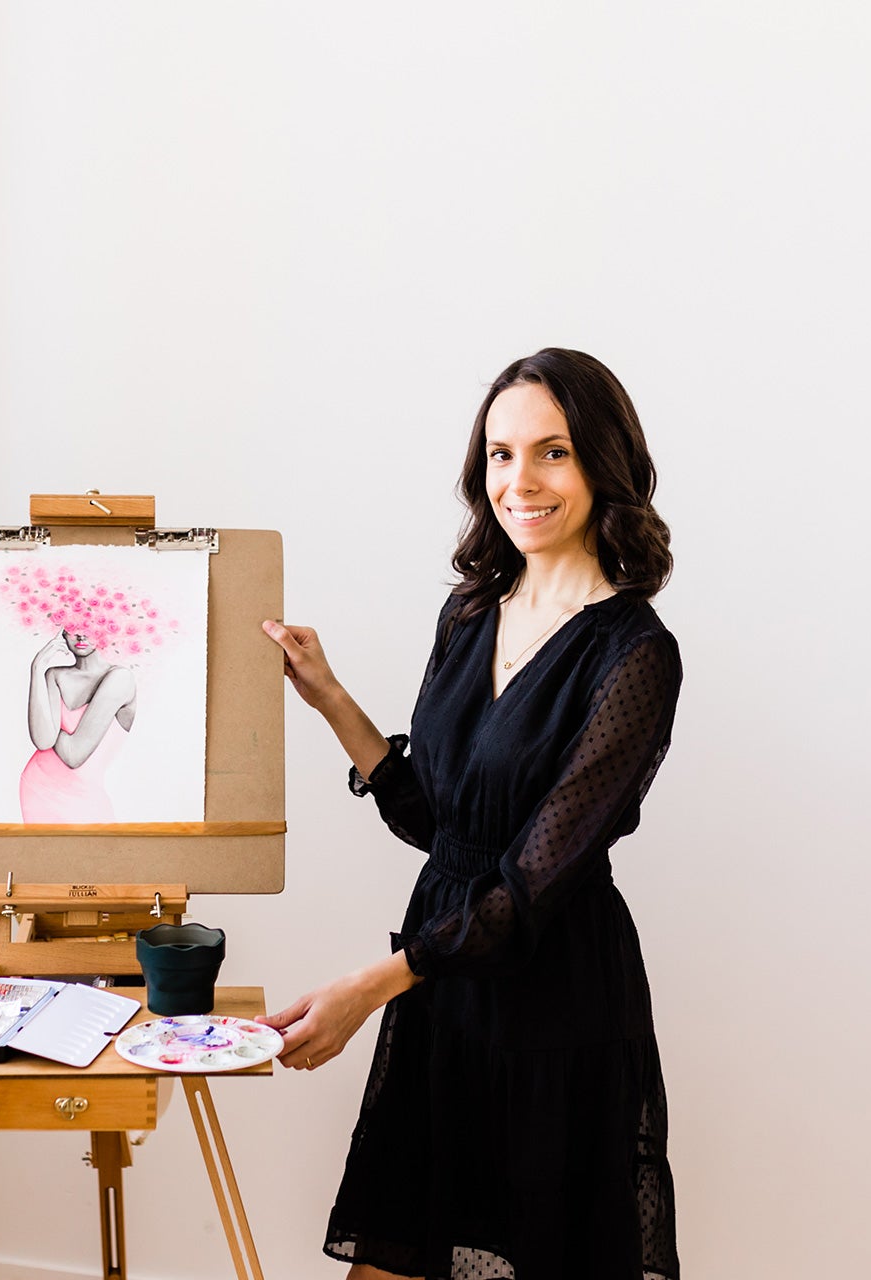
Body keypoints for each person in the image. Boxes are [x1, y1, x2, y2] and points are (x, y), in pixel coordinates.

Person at [261, 348, 684, 1279]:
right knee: (392, 1259)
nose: (518, 481)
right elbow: (435, 824)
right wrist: (332, 698)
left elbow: (529, 885)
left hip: (550, 1004)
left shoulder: (635, 654)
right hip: (441, 987)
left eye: (552, 453)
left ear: (603, 464)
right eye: (499, 454)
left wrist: (366, 989)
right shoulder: (468, 615)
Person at [18, 625, 138, 823]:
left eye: (91, 626)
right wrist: (37, 668)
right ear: (62, 631)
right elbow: (42, 741)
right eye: (73, 626)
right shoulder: (54, 675)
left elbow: (74, 755)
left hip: (85, 796)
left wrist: (53, 725)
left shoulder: (120, 678)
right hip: (37, 789)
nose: (82, 634)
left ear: (106, 625)